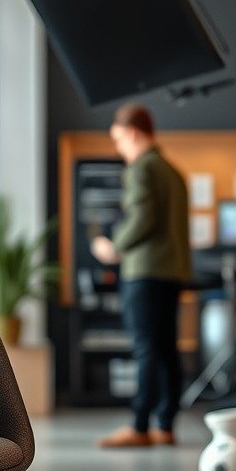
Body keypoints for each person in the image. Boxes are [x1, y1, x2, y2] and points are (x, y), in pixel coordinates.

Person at [91, 104, 190, 448]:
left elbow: (142, 218)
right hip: (172, 273)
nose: (119, 148)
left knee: (146, 349)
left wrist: (113, 247)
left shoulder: (141, 169)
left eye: (119, 140)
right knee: (166, 350)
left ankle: (139, 425)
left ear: (132, 133)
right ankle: (165, 424)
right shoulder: (173, 173)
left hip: (144, 272)